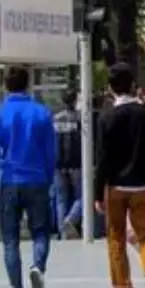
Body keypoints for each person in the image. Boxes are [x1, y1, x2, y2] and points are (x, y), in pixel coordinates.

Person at [0, 65, 57, 288]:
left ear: (6, 85)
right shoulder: (42, 113)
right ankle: (38, 267)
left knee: (10, 240)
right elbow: (50, 153)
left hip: (10, 182)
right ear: (28, 84)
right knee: (41, 233)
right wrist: (48, 178)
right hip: (37, 181)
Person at [95, 63, 145, 288]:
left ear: (111, 89)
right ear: (133, 85)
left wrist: (98, 192)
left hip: (116, 187)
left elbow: (102, 159)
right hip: (144, 187)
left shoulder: (106, 116)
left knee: (116, 238)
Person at [53, 91, 81, 239]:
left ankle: (63, 232)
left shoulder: (55, 119)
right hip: (76, 162)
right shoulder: (80, 118)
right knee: (82, 196)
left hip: (58, 163)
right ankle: (70, 220)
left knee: (61, 199)